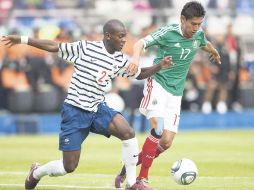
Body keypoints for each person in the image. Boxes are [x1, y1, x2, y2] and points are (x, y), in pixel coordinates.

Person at [1, 19, 173, 190]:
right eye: (120, 36)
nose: (123, 40)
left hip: (97, 108)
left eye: (125, 37)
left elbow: (138, 74)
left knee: (128, 132)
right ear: (108, 36)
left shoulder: (119, 59)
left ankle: (131, 184)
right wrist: (23, 39)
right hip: (75, 110)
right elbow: (55, 46)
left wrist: (159, 66)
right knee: (68, 167)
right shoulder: (86, 48)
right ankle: (37, 172)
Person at [115, 1, 221, 189]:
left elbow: (204, 43)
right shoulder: (168, 32)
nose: (196, 28)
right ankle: (141, 180)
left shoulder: (198, 34)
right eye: (193, 24)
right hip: (157, 83)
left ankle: (129, 166)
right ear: (182, 19)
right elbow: (141, 43)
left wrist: (214, 51)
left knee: (166, 142)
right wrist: (136, 57)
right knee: (157, 128)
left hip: (176, 93)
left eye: (199, 24)